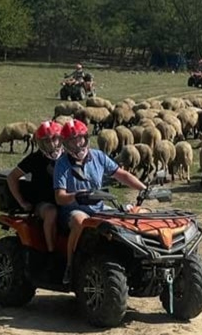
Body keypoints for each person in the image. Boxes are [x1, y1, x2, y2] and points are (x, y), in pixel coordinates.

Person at [53, 120, 147, 285]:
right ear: (65, 143)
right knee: (79, 220)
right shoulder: (62, 164)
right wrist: (75, 196)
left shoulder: (98, 156)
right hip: (73, 209)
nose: (77, 143)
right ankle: (70, 265)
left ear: (86, 138)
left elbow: (122, 175)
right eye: (72, 140)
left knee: (124, 219)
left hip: (98, 207)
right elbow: (59, 196)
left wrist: (143, 188)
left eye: (80, 138)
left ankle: (130, 260)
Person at [6, 121, 62, 263]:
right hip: (44, 202)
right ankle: (51, 255)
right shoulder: (35, 158)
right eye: (46, 140)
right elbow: (12, 177)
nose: (51, 143)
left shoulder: (68, 156)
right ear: (40, 142)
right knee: (51, 213)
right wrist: (22, 202)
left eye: (54, 138)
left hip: (67, 200)